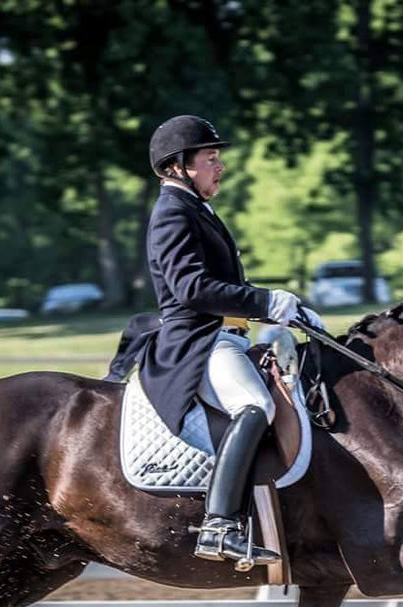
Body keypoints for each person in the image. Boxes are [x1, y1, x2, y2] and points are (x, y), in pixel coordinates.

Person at [138, 114, 324, 568]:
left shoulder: (196, 209)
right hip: (199, 342)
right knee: (255, 406)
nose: (219, 166)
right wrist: (265, 302)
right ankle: (219, 525)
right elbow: (191, 289)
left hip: (228, 337)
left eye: (217, 158)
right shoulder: (172, 213)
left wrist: (285, 312)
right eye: (211, 158)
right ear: (179, 165)